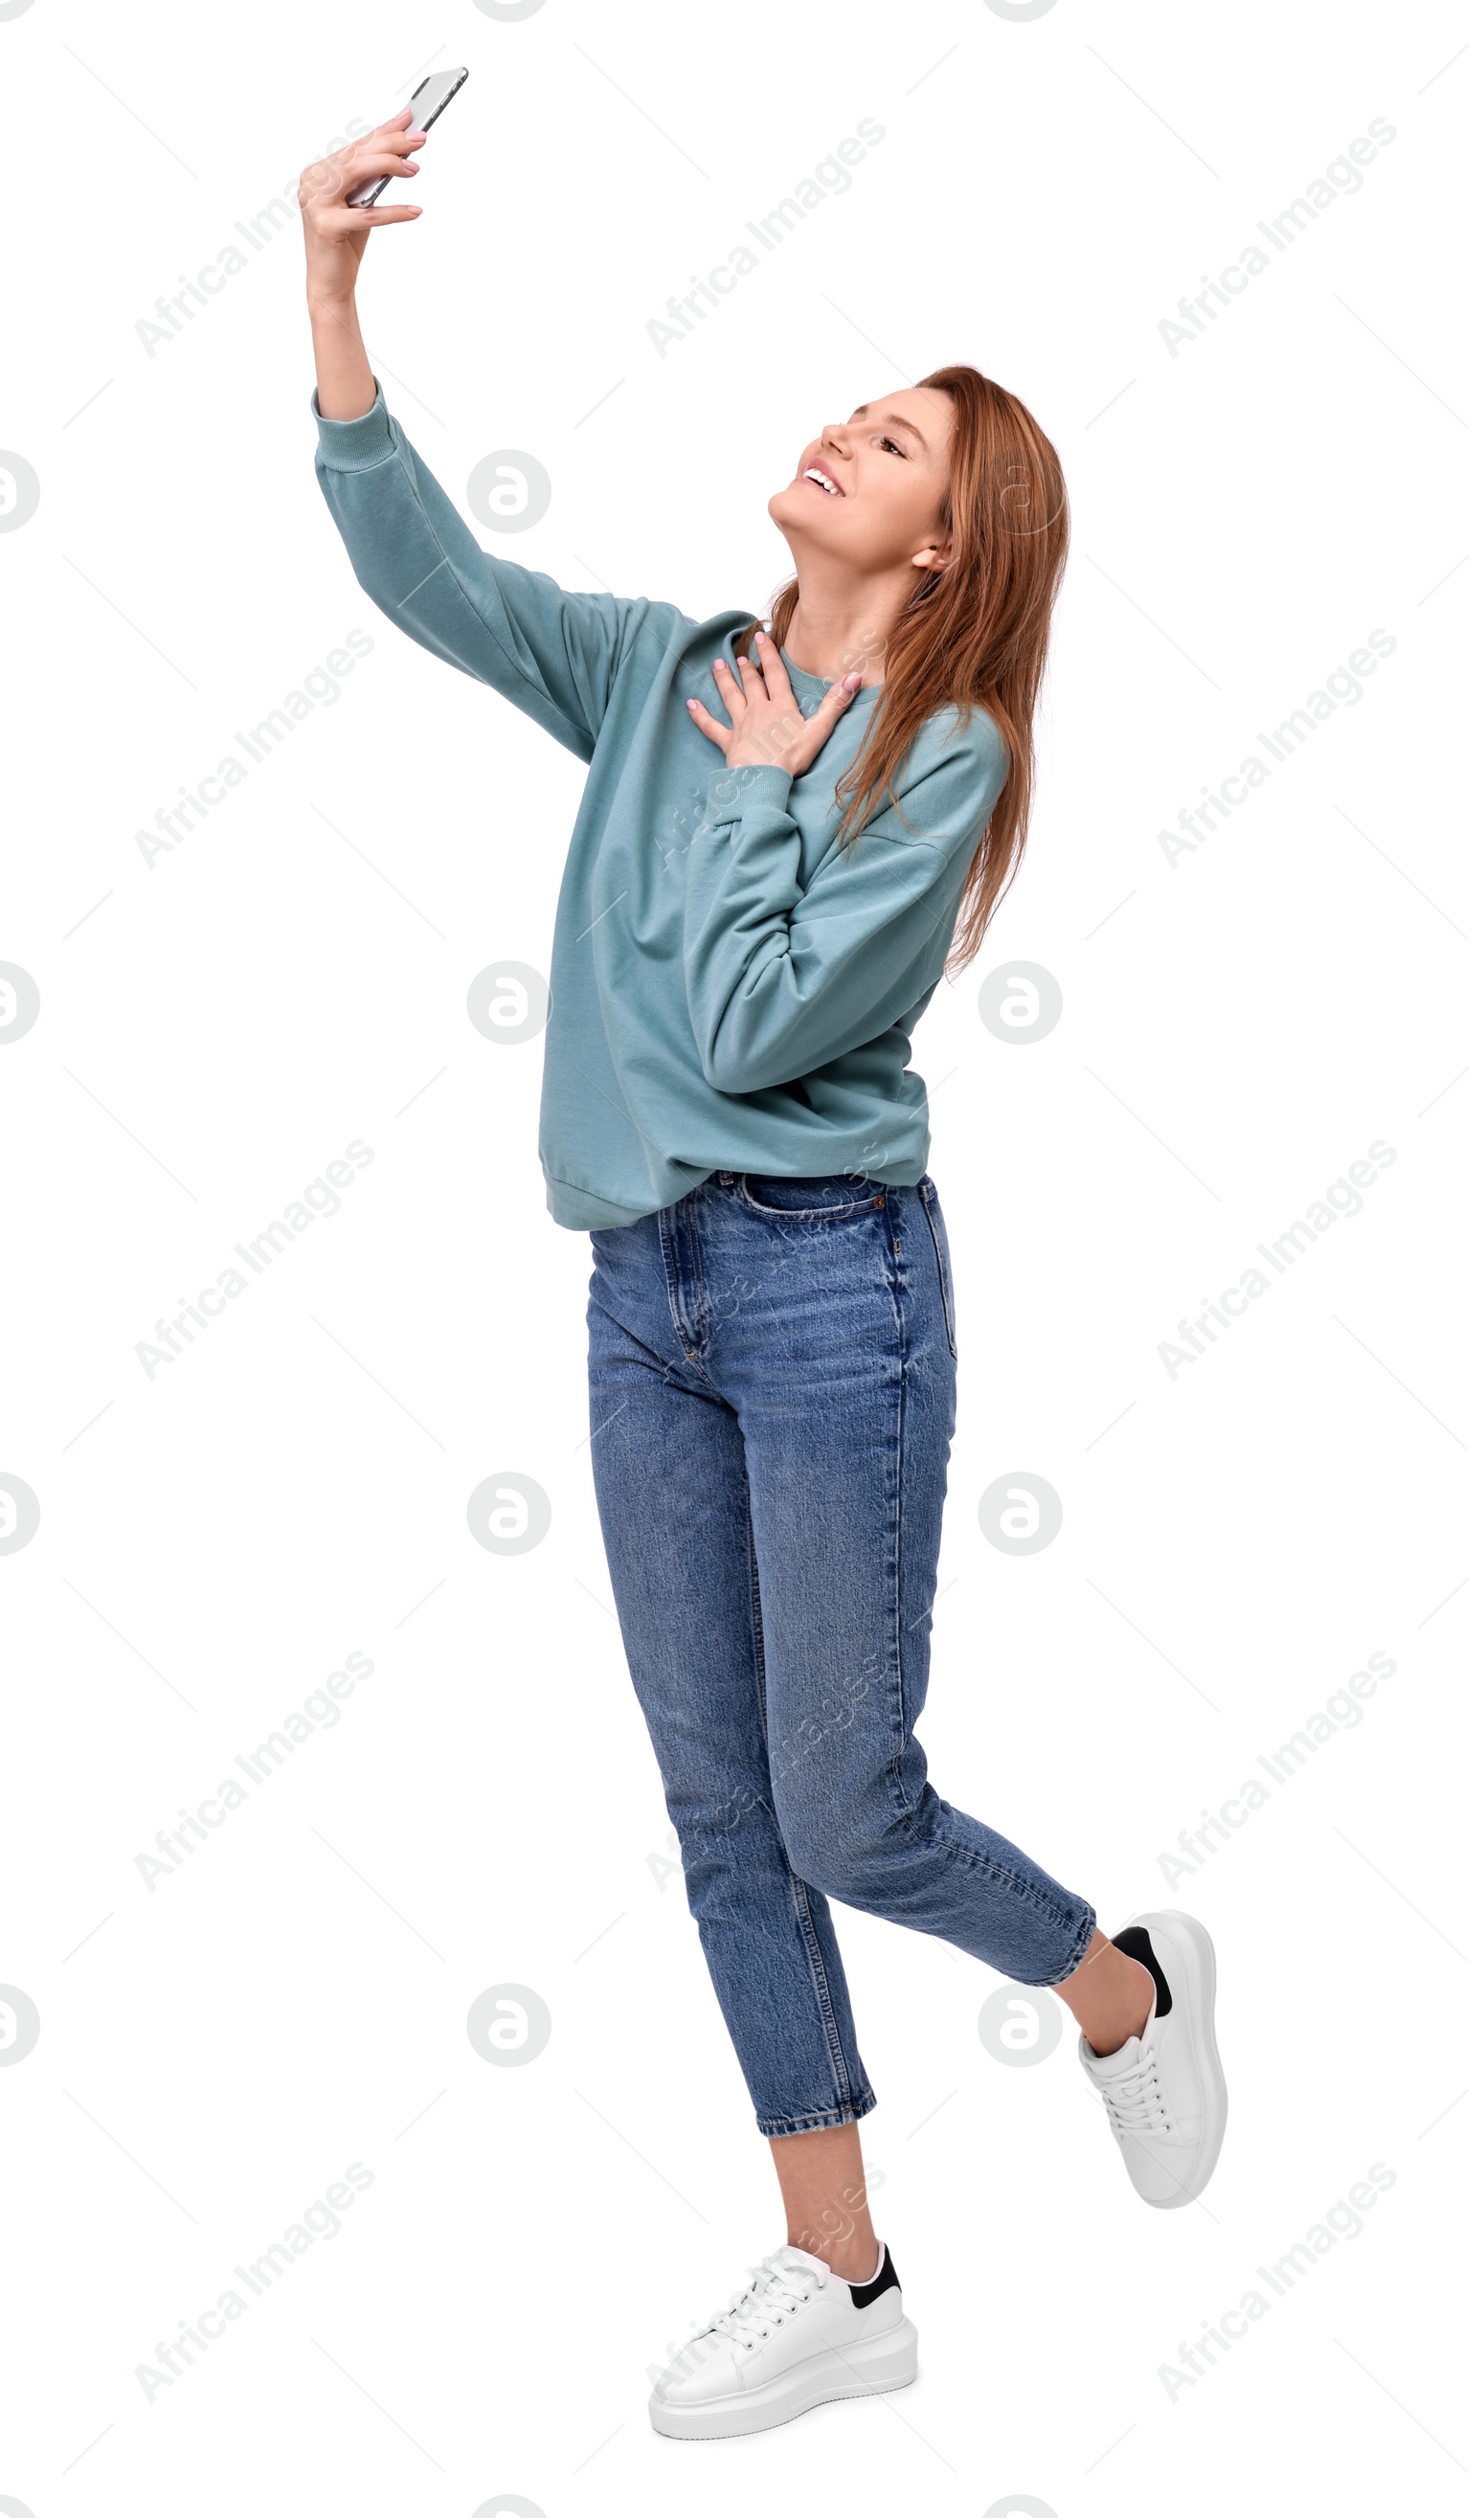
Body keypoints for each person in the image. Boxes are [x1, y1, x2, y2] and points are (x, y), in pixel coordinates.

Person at [300, 109, 1227, 2442]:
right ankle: (844, 2271)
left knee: (848, 1806)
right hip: (640, 1293)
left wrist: (775, 776)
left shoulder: (936, 765)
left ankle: (1115, 1986)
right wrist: (331, 303)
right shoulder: (661, 666)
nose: (838, 430)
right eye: (851, 409)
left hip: (829, 1300)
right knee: (717, 1807)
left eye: (890, 437)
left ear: (949, 535)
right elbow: (435, 582)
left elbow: (735, 1027)